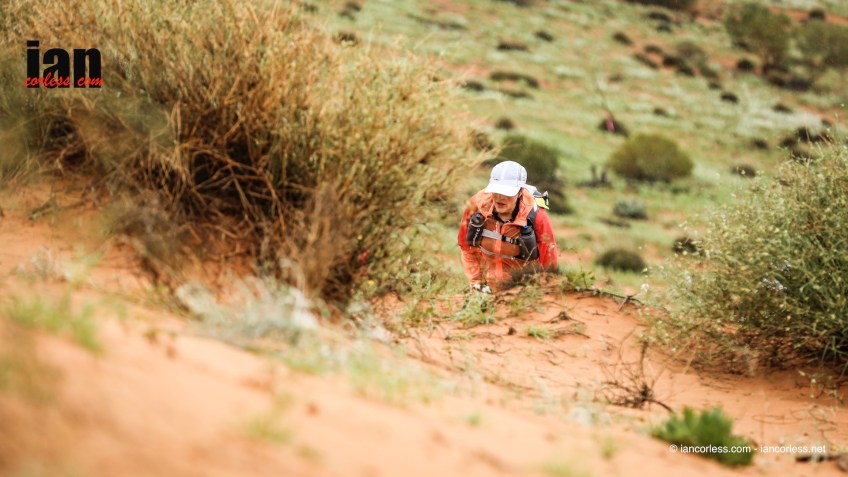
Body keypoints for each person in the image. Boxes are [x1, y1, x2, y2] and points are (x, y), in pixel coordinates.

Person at [457, 160, 559, 293]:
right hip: (487, 287)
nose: (500, 197)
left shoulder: (537, 216)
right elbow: (467, 248)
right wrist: (477, 283)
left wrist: (540, 292)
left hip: (524, 289)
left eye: (507, 192)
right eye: (496, 191)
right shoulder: (477, 206)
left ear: (520, 192)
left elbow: (549, 263)